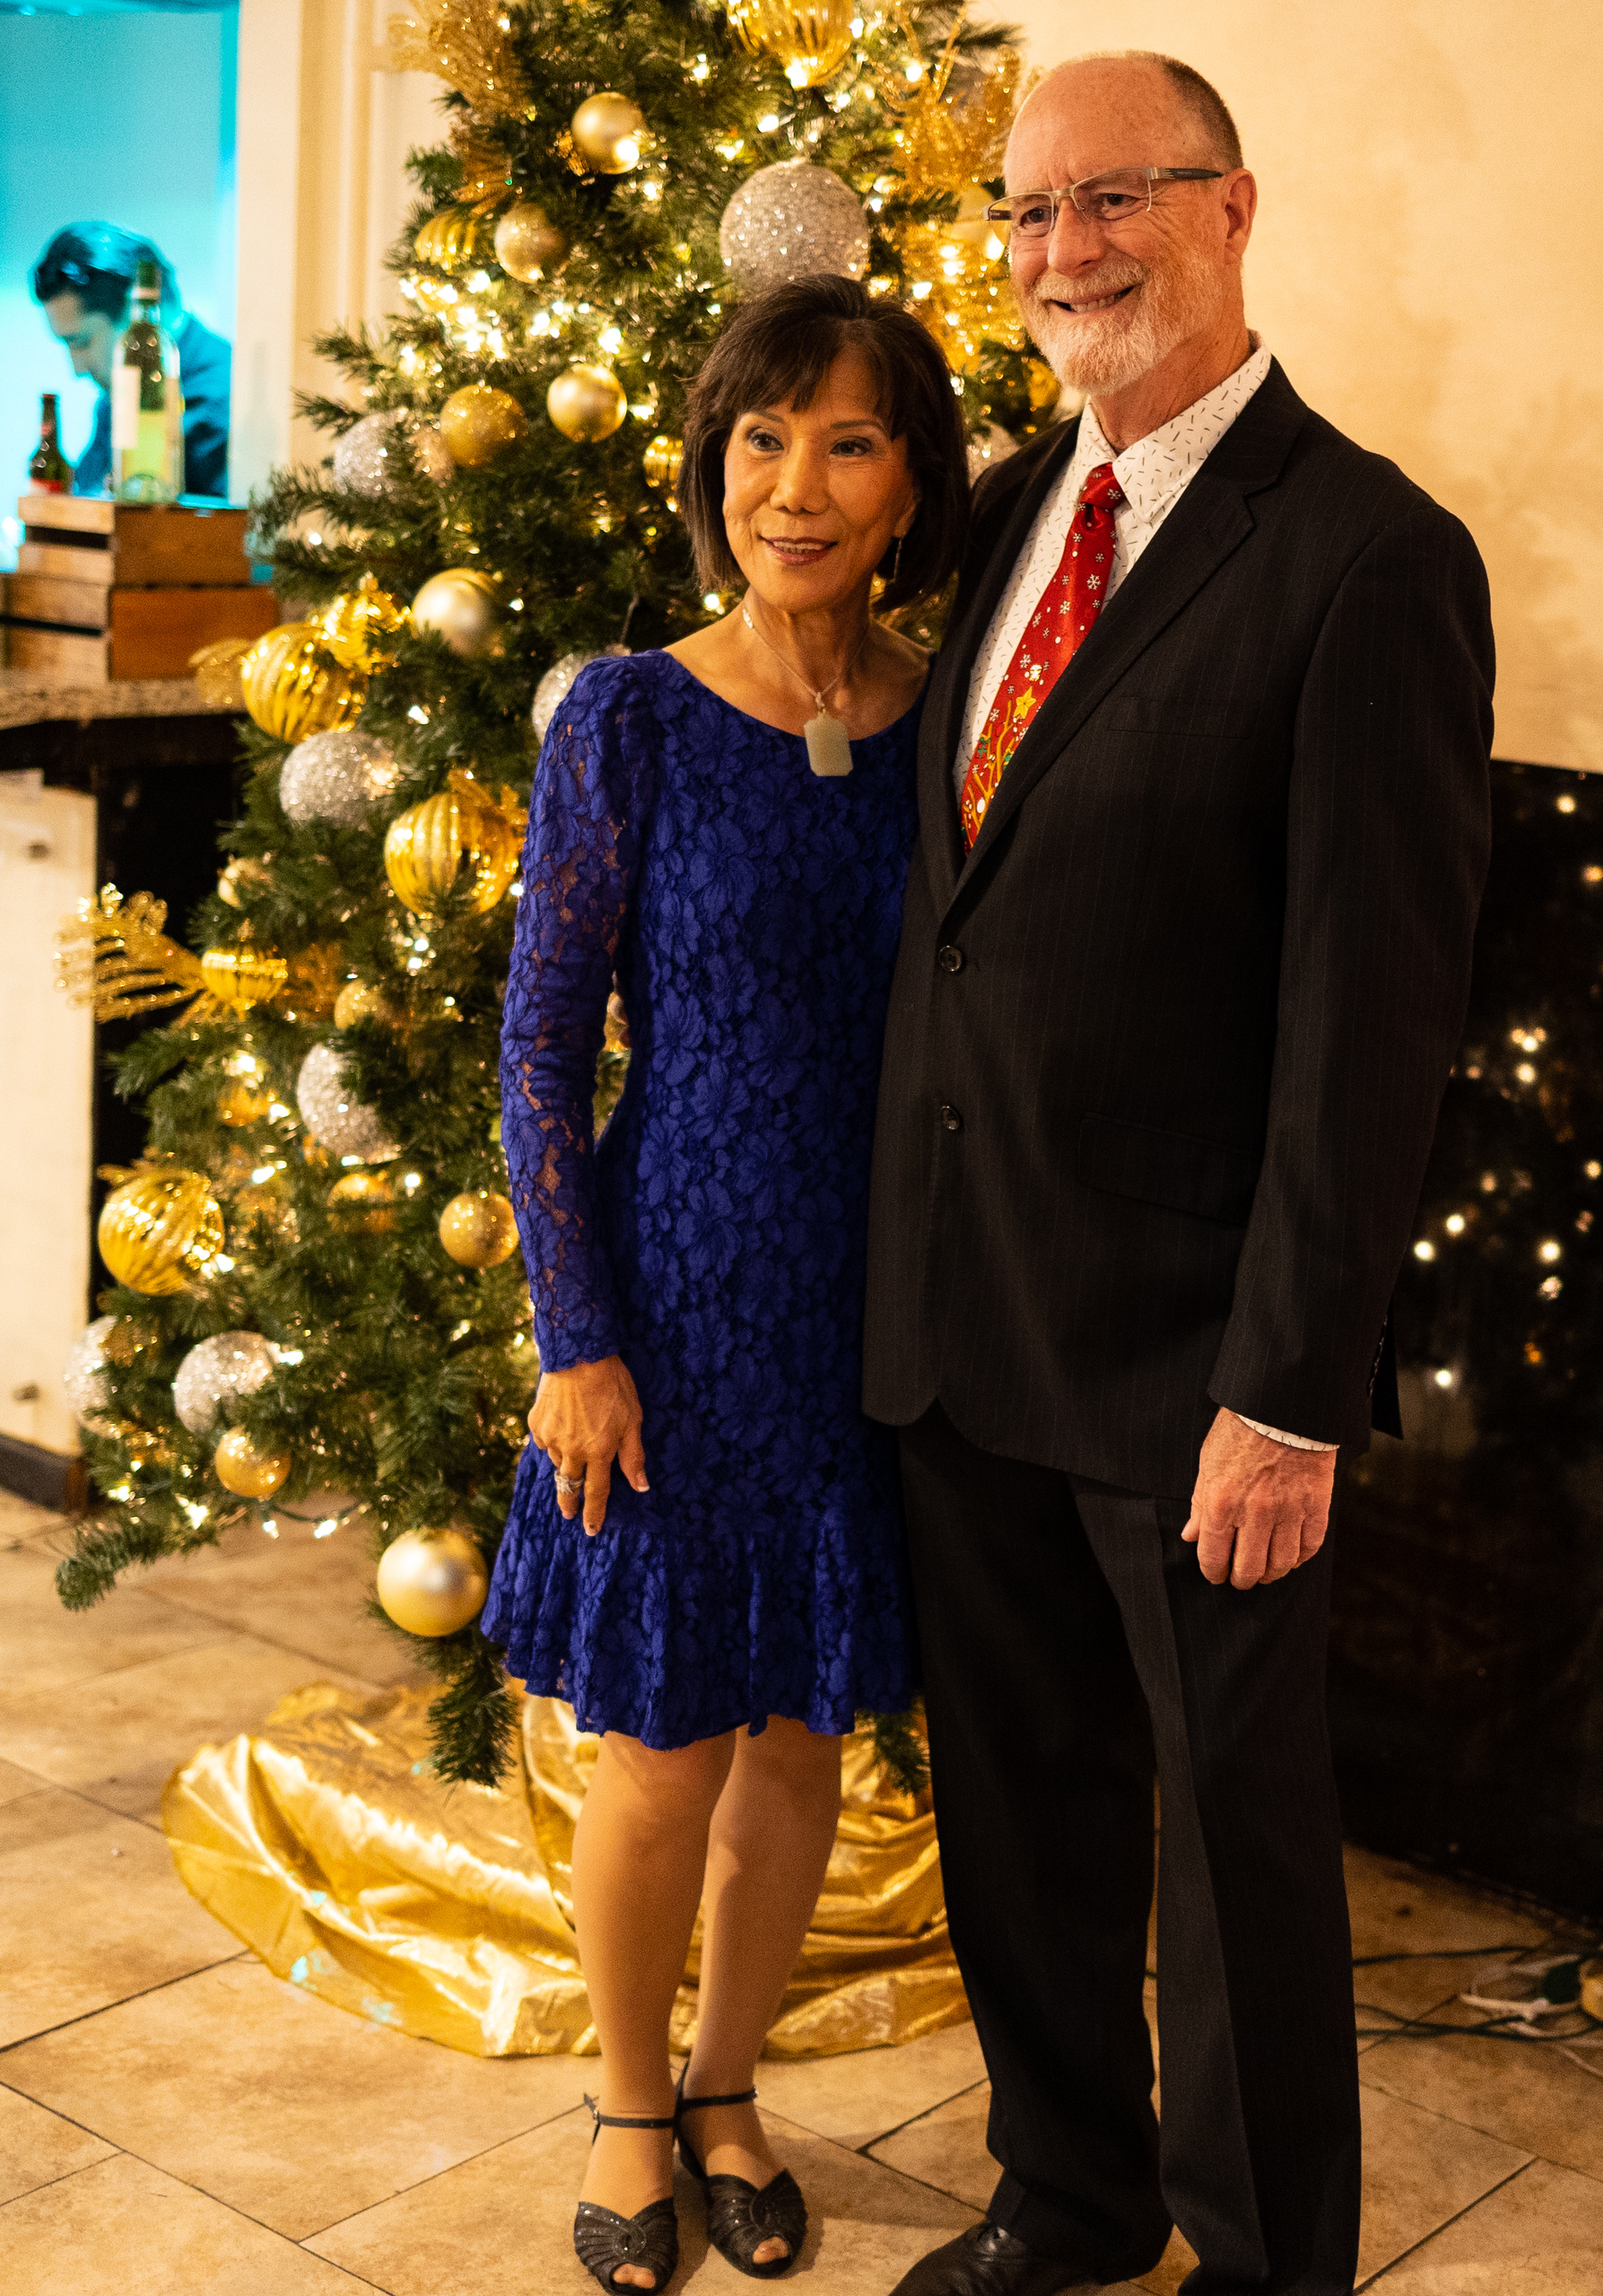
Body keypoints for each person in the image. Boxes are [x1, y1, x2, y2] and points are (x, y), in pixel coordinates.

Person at [865, 49, 1494, 2296]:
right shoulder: (1003, 509)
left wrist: (1287, 1391)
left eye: (1110, 198)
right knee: (1015, 1804)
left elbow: (1367, 1021)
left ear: (1231, 208)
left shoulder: (1368, 558)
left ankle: (1259, 2258)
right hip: (958, 1317)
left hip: (1191, 1363)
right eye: (1025, 213)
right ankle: (1067, 2194)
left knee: (1233, 1859)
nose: (1060, 253)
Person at [484, 273, 970, 2292]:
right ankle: (624, 2101)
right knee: (665, 1745)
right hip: (676, 1310)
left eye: (847, 443)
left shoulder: (949, 712)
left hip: (871, 1318)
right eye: (763, 439)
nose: (796, 486)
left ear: (908, 483)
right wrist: (577, 1337)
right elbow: (537, 1044)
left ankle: (723, 2085)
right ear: (712, 462)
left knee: (796, 1741)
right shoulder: (630, 715)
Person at [30, 223, 231, 499]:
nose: (77, 369)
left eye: (82, 342)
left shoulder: (221, 397)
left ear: (137, 308)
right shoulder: (118, 395)